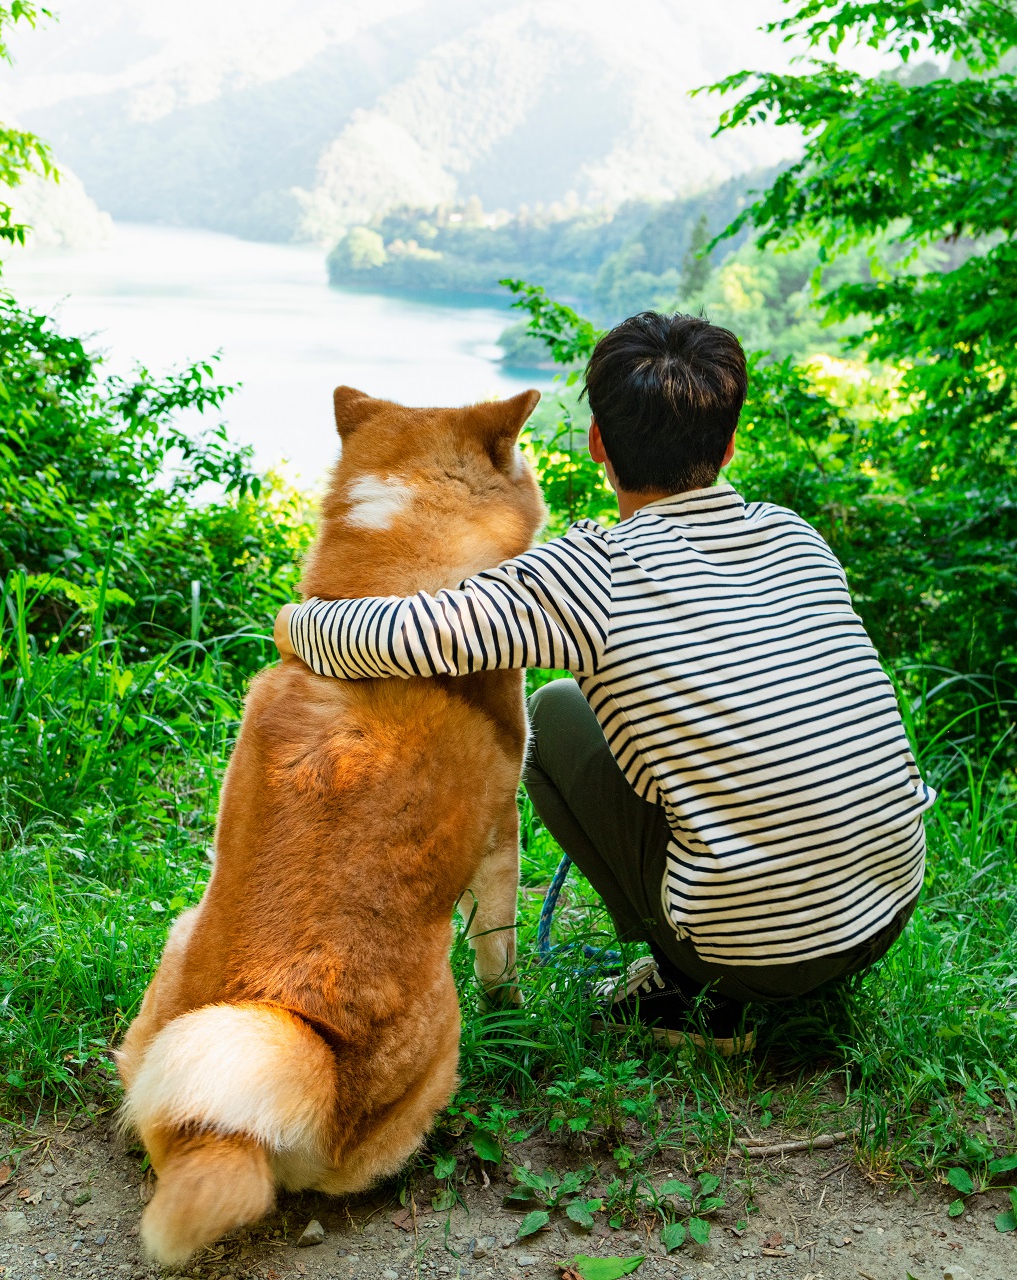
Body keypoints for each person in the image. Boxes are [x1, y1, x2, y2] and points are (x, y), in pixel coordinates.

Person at [273, 312, 934, 1054]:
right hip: (885, 911)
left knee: (555, 709)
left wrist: (295, 623)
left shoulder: (593, 575)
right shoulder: (795, 535)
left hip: (750, 957)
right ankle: (750, 952)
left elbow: (393, 638)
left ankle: (687, 995)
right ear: (728, 442)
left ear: (598, 445)